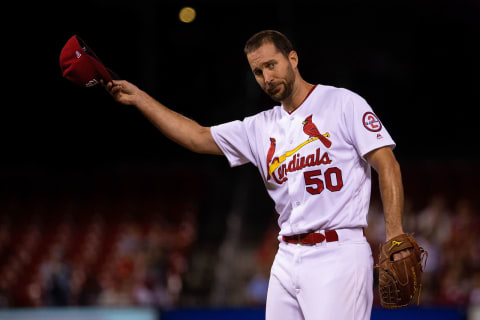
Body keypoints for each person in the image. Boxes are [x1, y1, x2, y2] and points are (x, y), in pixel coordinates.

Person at [103, 30, 407, 320]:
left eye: (271, 65)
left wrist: (394, 232)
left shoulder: (342, 103)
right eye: (258, 72)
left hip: (338, 253)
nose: (267, 78)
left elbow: (387, 163)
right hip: (286, 256)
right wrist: (142, 99)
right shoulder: (260, 126)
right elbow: (197, 136)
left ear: (293, 59)